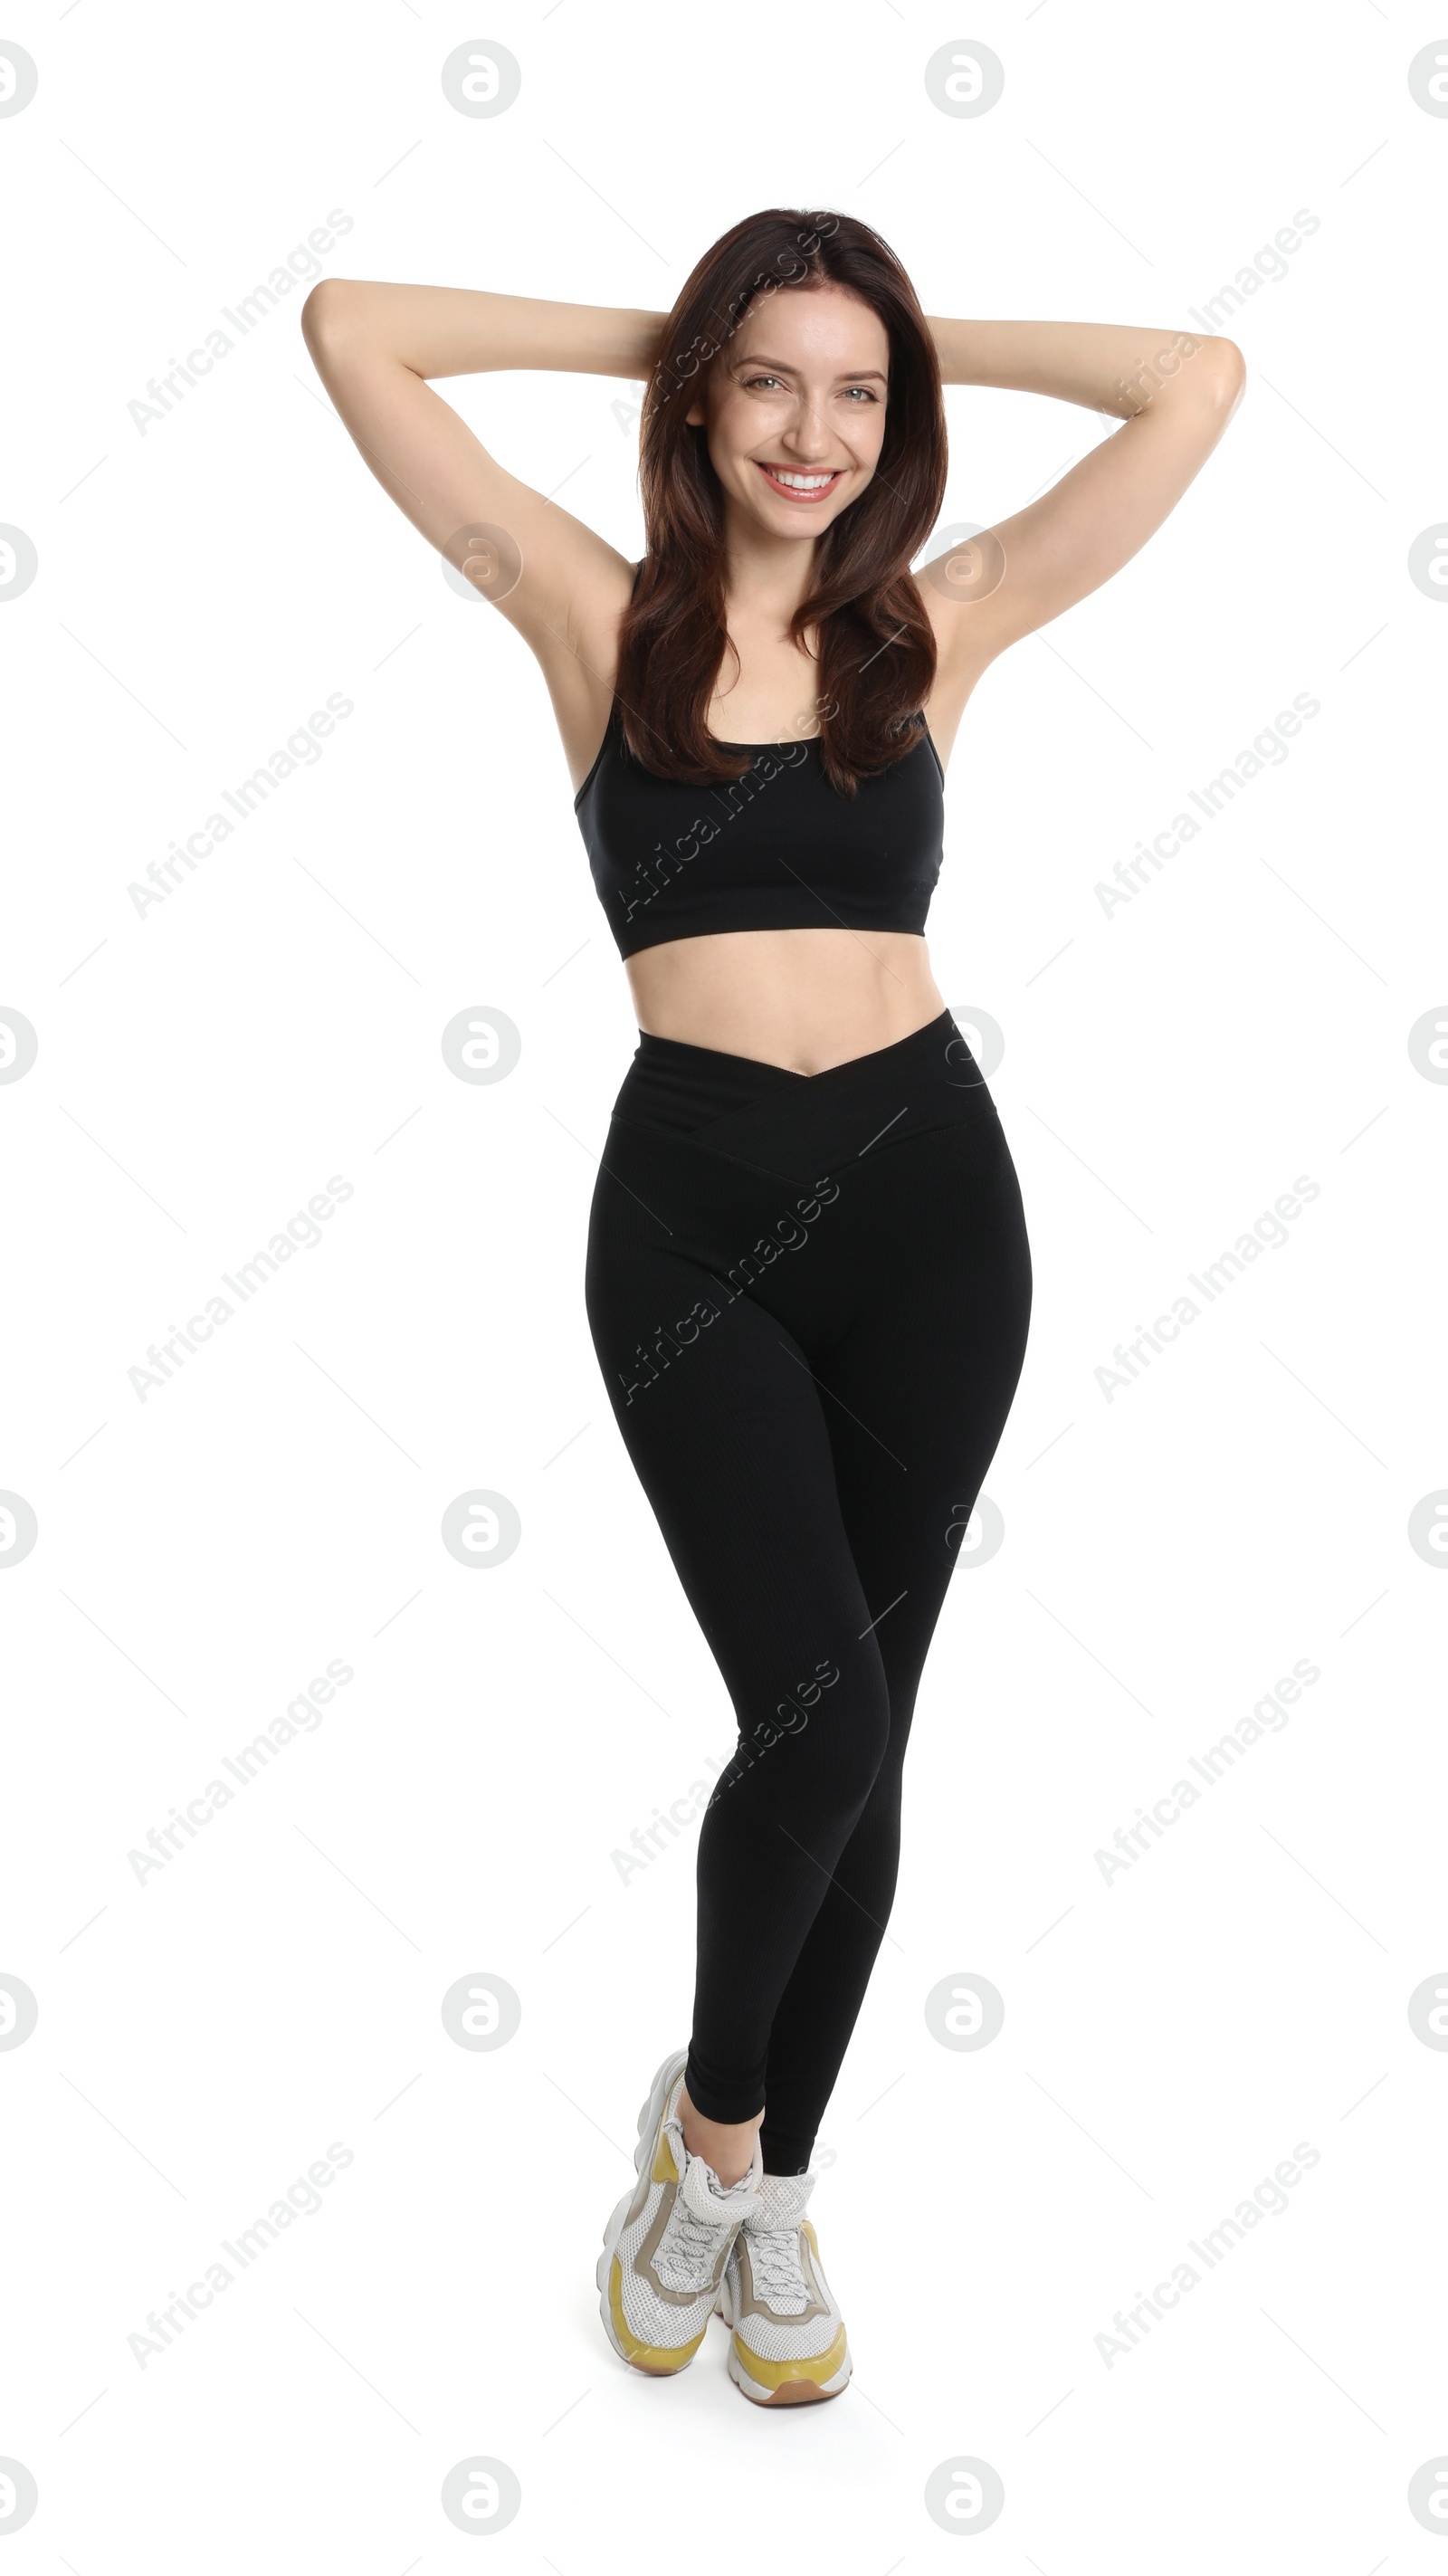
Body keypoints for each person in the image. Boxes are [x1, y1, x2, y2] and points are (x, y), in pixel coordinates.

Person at [302, 208, 1245, 2406]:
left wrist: (898, 333)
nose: (813, 433)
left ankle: (764, 2188)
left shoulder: (935, 622)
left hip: (937, 1212)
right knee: (808, 1720)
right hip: (692, 1224)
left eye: (856, 394)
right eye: (767, 384)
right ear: (700, 401)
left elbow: (1190, 378)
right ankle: (705, 2138)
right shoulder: (586, 615)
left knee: (870, 1736)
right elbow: (357, 330)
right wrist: (676, 327)